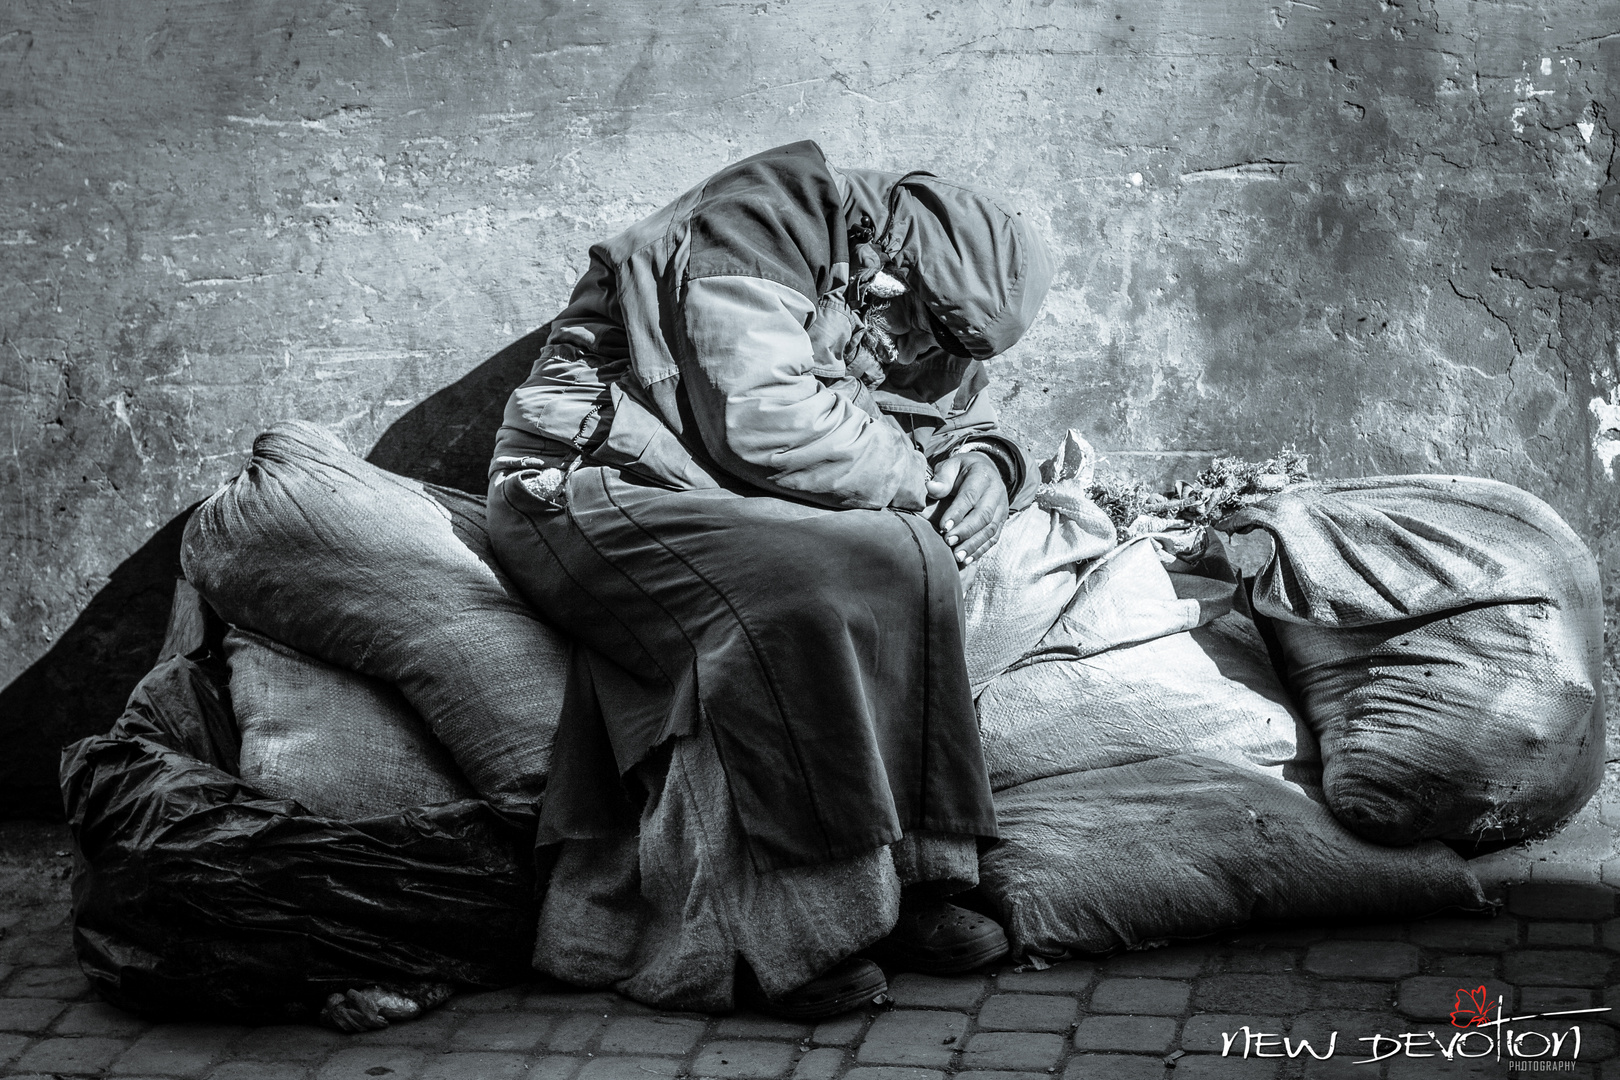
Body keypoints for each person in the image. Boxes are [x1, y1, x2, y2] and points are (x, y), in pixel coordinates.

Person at [486, 140, 1053, 1017]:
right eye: (914, 323)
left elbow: (937, 421)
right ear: (889, 255)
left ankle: (917, 880)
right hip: (592, 483)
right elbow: (762, 420)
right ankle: (804, 931)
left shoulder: (920, 307)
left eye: (937, 341)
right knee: (798, 596)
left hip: (722, 497)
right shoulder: (759, 217)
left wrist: (989, 463)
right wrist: (915, 475)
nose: (908, 349)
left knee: (917, 562)